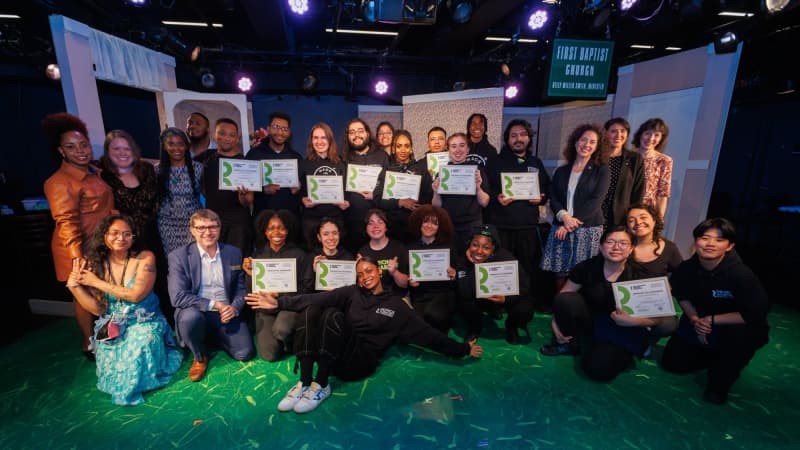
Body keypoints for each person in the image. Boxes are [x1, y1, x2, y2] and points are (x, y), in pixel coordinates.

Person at [244, 257, 483, 414]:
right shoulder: (352, 293)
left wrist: (462, 349)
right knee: (314, 308)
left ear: (378, 272)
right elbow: (315, 298)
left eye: (368, 271)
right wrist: (277, 303)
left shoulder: (397, 306)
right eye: (359, 274)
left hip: (360, 362)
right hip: (333, 354)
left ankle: (322, 385)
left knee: (331, 316)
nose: (364, 277)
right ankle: (305, 382)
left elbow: (428, 335)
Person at [66, 214, 182, 405]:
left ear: (134, 237)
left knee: (140, 346)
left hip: (144, 320)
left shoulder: (145, 258)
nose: (121, 238)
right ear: (104, 236)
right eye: (115, 233)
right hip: (113, 321)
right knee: (107, 347)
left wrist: (95, 282)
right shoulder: (97, 263)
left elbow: (136, 295)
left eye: (127, 234)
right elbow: (97, 310)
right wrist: (75, 286)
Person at [539, 226, 676, 382]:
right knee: (566, 300)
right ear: (601, 246)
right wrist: (555, 322)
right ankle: (572, 343)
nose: (616, 247)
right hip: (591, 320)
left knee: (597, 370)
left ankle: (620, 350)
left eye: (623, 243)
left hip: (622, 328)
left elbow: (660, 318)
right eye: (610, 242)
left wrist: (634, 321)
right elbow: (563, 295)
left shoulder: (642, 274)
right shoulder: (586, 267)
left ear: (631, 249)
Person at [660, 218, 770, 405]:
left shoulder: (741, 275)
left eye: (719, 240)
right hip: (700, 321)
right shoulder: (687, 268)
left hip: (736, 326)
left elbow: (754, 314)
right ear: (696, 241)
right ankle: (711, 353)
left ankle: (720, 383)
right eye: (705, 238)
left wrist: (711, 320)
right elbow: (682, 296)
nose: (710, 244)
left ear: (729, 246)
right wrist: (695, 320)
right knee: (672, 364)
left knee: (735, 350)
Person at [42, 112, 115, 359]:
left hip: (101, 244)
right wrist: (78, 258)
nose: (80, 151)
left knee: (102, 294)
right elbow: (67, 222)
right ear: (61, 151)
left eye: (83, 144)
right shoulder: (59, 181)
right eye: (71, 147)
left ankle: (107, 338)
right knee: (86, 296)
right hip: (79, 248)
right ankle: (89, 344)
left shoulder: (94, 172)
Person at [167, 209, 256, 382]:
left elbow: (240, 288)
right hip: (196, 310)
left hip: (226, 312)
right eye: (201, 228)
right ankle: (199, 356)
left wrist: (234, 308)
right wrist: (216, 305)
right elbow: (177, 296)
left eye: (213, 227)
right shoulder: (178, 256)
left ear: (220, 229)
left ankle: (212, 337)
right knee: (189, 319)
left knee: (244, 353)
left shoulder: (233, 253)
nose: (208, 232)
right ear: (192, 230)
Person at [489, 119, 552, 313]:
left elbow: (546, 189)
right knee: (501, 270)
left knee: (526, 270)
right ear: (507, 139)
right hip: (502, 227)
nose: (518, 139)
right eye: (513, 135)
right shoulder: (496, 162)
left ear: (528, 138)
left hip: (527, 228)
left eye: (522, 135)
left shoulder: (536, 163)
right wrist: (496, 198)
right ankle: (498, 306)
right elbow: (486, 191)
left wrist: (541, 198)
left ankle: (521, 306)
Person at [541, 123, 610, 294]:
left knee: (584, 272)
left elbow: (596, 201)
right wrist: (564, 217)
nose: (586, 145)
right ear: (575, 142)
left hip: (588, 228)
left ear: (597, 146)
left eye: (592, 142)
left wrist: (569, 224)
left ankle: (580, 309)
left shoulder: (602, 170)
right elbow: (554, 196)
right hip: (561, 225)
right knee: (559, 270)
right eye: (583, 140)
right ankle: (560, 307)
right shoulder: (561, 171)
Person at [243, 209, 312, 361]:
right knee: (269, 355)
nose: (276, 232)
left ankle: (289, 341)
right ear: (265, 232)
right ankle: (280, 342)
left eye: (281, 227)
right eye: (271, 228)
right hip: (265, 309)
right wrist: (249, 274)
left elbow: (306, 289)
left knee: (282, 330)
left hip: (289, 306)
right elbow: (250, 291)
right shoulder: (257, 256)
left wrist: (278, 295)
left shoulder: (299, 255)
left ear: (287, 230)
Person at [454, 225, 535, 345]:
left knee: (525, 308)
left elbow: (524, 286)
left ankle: (511, 327)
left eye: (486, 247)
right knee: (464, 302)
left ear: (493, 249)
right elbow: (464, 292)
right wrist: (474, 265)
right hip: (477, 299)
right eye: (475, 245)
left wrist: (505, 299)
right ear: (469, 244)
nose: (479, 251)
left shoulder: (506, 258)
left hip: (502, 299)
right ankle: (475, 327)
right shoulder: (463, 259)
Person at [200, 118, 255, 256]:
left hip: (238, 225)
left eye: (232, 135)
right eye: (222, 133)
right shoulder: (206, 159)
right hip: (212, 223)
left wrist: (243, 195)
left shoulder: (246, 164)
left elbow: (248, 201)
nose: (226, 138)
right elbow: (202, 188)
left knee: (237, 267)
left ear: (238, 138)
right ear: (214, 135)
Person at [99, 130, 160, 254]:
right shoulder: (103, 177)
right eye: (116, 148)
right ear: (108, 152)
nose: (122, 153)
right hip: (124, 241)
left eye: (127, 148)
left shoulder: (147, 169)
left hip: (154, 237)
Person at [432, 132, 491, 252]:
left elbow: (484, 202)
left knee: (472, 260)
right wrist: (436, 192)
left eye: (462, 145)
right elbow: (436, 206)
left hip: (472, 226)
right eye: (453, 146)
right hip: (448, 226)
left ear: (468, 149)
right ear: (448, 150)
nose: (458, 150)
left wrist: (478, 188)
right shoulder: (443, 172)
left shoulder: (477, 170)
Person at [407, 205, 457, 332]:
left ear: (440, 227)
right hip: (420, 294)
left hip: (442, 294)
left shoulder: (448, 248)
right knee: (416, 323)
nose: (429, 226)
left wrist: (453, 275)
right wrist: (411, 282)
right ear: (419, 223)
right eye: (426, 221)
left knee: (434, 316)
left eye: (434, 223)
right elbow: (406, 276)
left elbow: (457, 279)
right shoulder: (410, 248)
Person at [341, 118, 388, 254]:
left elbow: (388, 184)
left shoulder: (381, 156)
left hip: (377, 222)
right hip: (352, 222)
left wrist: (375, 193)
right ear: (348, 136)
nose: (356, 135)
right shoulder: (342, 159)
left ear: (367, 133)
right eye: (352, 132)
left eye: (360, 131)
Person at [155, 127, 204, 256]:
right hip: (168, 225)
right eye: (171, 144)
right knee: (175, 263)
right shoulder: (157, 171)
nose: (176, 148)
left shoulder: (198, 168)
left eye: (180, 144)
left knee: (195, 261)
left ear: (186, 146)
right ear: (164, 146)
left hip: (194, 224)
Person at [246, 112, 302, 221]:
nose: (280, 132)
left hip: (290, 218)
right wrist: (263, 189)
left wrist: (298, 188)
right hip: (262, 217)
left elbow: (303, 190)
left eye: (285, 129)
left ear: (289, 132)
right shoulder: (254, 154)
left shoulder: (296, 157)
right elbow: (246, 185)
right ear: (269, 129)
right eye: (276, 127)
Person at [376, 129, 429, 243]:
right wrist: (400, 202)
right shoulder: (386, 170)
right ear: (394, 149)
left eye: (406, 146)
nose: (403, 150)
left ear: (411, 149)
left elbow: (428, 197)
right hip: (391, 228)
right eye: (399, 146)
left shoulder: (420, 169)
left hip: (415, 227)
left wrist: (417, 203)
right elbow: (377, 198)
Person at [601, 118, 645, 228]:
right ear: (605, 133)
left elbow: (638, 192)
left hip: (620, 217)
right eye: (613, 131)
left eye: (623, 131)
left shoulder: (635, 159)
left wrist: (633, 217)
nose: (618, 135)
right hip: (595, 215)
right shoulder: (597, 157)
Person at [357, 209, 409, 294]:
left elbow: (405, 284)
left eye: (380, 222)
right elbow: (361, 288)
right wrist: (361, 273)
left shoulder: (398, 248)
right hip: (372, 299)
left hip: (396, 298)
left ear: (386, 227)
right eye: (371, 223)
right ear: (366, 229)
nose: (375, 226)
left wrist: (395, 272)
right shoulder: (362, 252)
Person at [625, 203, 683, 277]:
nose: (638, 222)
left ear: (654, 220)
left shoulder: (669, 248)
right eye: (631, 220)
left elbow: (683, 276)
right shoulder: (622, 248)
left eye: (643, 217)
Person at [633, 118, 672, 219]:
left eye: (656, 135)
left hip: (647, 213)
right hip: (624, 210)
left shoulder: (664, 160)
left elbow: (663, 194)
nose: (651, 138)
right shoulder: (629, 156)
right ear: (640, 134)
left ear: (661, 139)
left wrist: (659, 221)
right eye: (648, 133)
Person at [306, 218, 355, 292]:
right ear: (319, 237)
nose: (331, 238)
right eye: (326, 234)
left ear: (339, 234)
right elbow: (307, 290)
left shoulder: (348, 258)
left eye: (335, 233)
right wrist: (315, 273)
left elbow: (353, 289)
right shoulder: (312, 258)